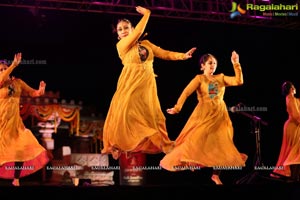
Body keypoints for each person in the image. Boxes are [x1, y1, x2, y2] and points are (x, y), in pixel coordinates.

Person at [101, 6, 197, 160]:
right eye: (120, 29)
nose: (124, 30)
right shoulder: (121, 45)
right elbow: (139, 32)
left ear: (132, 28)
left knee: (156, 116)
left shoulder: (146, 44)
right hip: (130, 82)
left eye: (126, 27)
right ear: (118, 35)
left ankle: (166, 144)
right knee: (126, 114)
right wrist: (147, 14)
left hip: (147, 84)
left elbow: (164, 53)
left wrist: (182, 56)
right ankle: (117, 143)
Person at [160, 51, 247, 185]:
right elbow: (186, 92)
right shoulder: (199, 79)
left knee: (222, 145)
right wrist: (177, 107)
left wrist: (236, 63)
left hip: (220, 116)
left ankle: (215, 175)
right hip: (204, 114)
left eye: (215, 63)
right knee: (196, 139)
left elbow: (238, 81)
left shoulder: (221, 78)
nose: (213, 65)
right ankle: (188, 160)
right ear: (203, 66)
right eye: (210, 63)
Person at [0, 53, 50, 186]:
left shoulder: (18, 83)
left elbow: (33, 93)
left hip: (16, 124)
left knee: (21, 148)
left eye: (4, 69)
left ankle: (16, 178)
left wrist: (40, 91)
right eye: (1, 69)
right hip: (2, 123)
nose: (4, 71)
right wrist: (13, 65)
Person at [271, 81, 300, 182]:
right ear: (291, 89)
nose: (295, 88)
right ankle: (293, 176)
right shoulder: (290, 98)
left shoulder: (293, 99)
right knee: (294, 150)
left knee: (293, 151)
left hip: (295, 126)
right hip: (293, 126)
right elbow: (296, 116)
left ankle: (294, 175)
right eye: (293, 87)